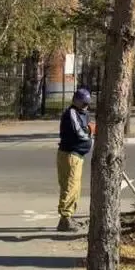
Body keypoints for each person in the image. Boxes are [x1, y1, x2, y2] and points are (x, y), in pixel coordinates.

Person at [56, 87, 94, 232]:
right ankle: (65, 219)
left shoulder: (83, 113)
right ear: (76, 101)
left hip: (77, 155)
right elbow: (80, 132)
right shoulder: (71, 113)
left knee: (74, 187)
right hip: (70, 154)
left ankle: (68, 217)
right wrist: (91, 131)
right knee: (70, 187)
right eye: (83, 103)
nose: (86, 106)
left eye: (87, 103)